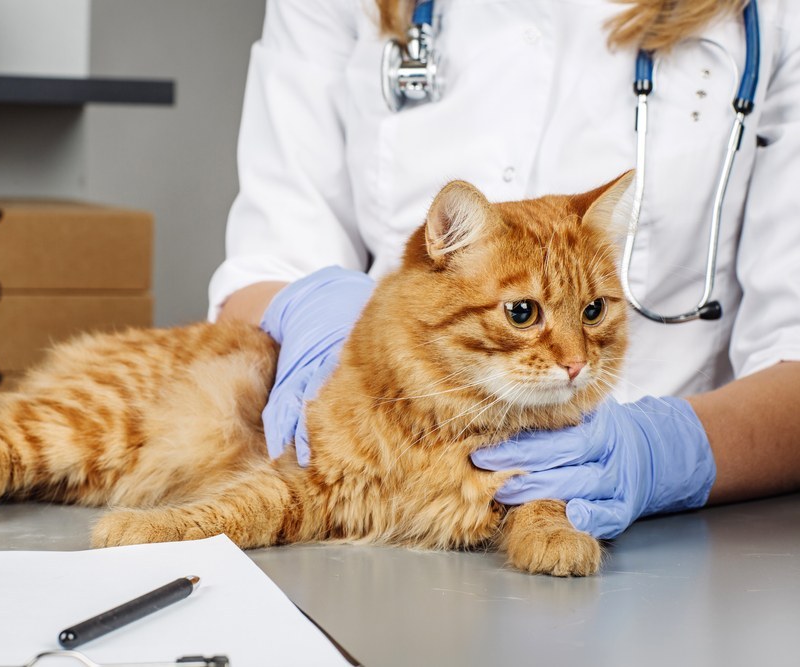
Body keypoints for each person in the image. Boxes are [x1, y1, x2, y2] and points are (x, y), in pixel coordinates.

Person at [208, 0, 800, 540]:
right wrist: (317, 319)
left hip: (663, 525)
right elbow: (270, 260)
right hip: (380, 478)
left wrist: (664, 452)